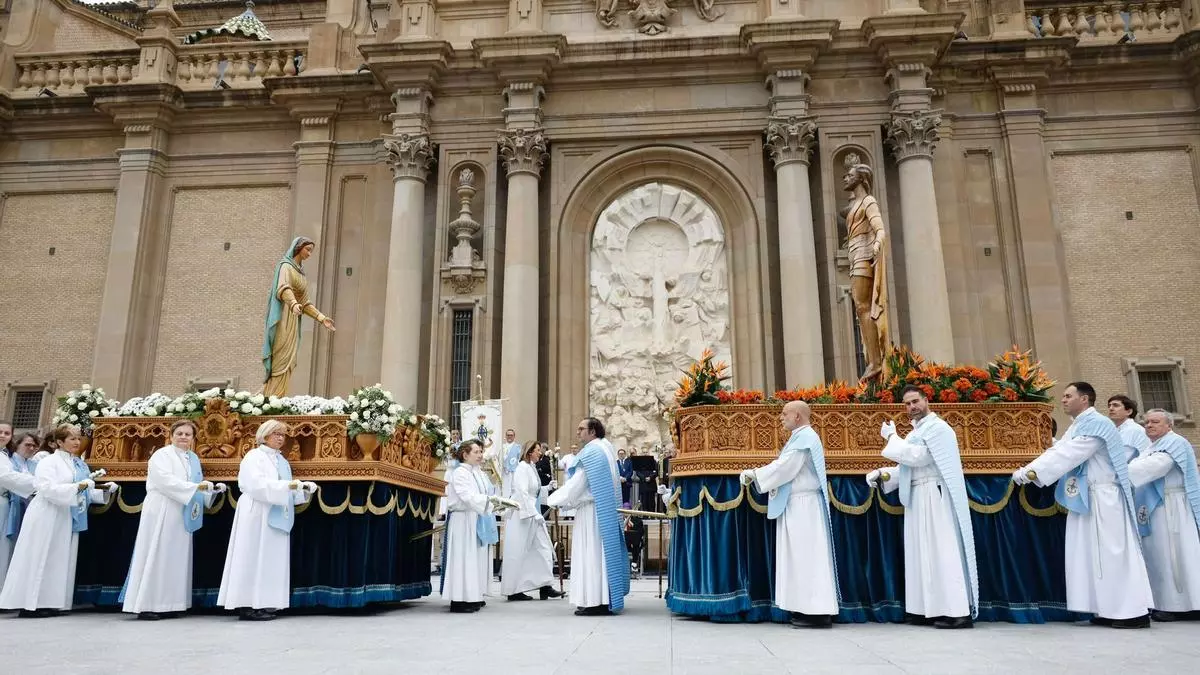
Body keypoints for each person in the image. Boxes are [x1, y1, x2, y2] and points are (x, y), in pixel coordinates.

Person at [1012, 382, 1154, 628]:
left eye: (1068, 396)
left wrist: (1029, 472)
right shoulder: (1080, 424)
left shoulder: (1096, 424)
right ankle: (1105, 609)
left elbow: (1068, 454)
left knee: (1112, 554)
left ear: (1085, 399)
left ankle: (1131, 612)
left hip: (1105, 497)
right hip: (1089, 496)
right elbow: (1059, 448)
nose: (1063, 400)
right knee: (1093, 555)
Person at [866, 386, 977, 629]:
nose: (911, 407)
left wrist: (892, 438)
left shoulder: (938, 428)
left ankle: (956, 610)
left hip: (934, 496)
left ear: (926, 400)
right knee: (920, 552)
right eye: (907, 404)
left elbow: (919, 458)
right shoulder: (918, 431)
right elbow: (910, 467)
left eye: (915, 401)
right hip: (918, 494)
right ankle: (924, 608)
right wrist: (885, 475)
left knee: (941, 551)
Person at [740, 401, 839, 628]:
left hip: (804, 505)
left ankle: (816, 611)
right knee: (800, 557)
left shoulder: (805, 438)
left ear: (797, 416)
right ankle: (805, 608)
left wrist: (755, 474)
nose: (781, 417)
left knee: (806, 557)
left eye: (785, 413)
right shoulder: (800, 437)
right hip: (797, 504)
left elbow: (785, 467)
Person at [0, 424, 114, 617]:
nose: (77, 442)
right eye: (72, 439)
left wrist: (102, 491)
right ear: (59, 442)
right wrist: (79, 487)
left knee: (56, 558)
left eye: (78, 438)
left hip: (63, 513)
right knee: (39, 554)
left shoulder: (75, 463)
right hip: (46, 511)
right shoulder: (49, 462)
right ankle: (30, 604)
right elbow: (46, 488)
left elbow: (79, 489)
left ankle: (48, 601)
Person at [120, 419, 226, 620]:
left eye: (188, 434)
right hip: (162, 507)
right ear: (171, 435)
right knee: (157, 552)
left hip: (182, 510)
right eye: (180, 433)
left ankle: (171, 603)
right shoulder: (162, 455)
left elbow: (194, 483)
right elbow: (164, 481)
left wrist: (210, 489)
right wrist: (196, 488)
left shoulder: (192, 458)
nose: (184, 437)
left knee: (176, 555)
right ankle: (148, 604)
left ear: (194, 438)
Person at [218, 420, 316, 621]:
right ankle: (247, 604)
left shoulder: (282, 461)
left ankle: (265, 602)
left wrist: (301, 490)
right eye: (276, 434)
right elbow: (254, 484)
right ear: (264, 435)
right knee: (252, 555)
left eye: (283, 434)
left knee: (270, 557)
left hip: (276, 511)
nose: (280, 438)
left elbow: (286, 487)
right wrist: (288, 487)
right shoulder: (255, 456)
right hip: (257, 511)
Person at [546, 417, 629, 616]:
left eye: (581, 429)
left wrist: (553, 499)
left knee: (590, 555)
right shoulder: (607, 448)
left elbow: (578, 484)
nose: (578, 432)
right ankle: (604, 597)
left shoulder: (591, 452)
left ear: (593, 431)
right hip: (604, 511)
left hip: (591, 513)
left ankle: (594, 601)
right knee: (601, 556)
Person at [1128, 409, 1200, 621]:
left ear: (1169, 425)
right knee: (1159, 555)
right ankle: (1164, 602)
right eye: (1147, 422)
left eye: (1155, 422)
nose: (1149, 425)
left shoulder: (1174, 443)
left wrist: (1119, 473)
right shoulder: (1152, 446)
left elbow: (1154, 467)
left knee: (1174, 555)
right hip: (1158, 508)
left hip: (1173, 507)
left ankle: (1179, 605)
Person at [442, 439, 517, 613]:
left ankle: (472, 596)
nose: (480, 455)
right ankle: (459, 599)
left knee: (473, 559)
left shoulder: (477, 472)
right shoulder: (460, 472)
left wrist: (502, 504)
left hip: (475, 517)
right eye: (476, 452)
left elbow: (487, 494)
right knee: (463, 558)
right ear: (464, 454)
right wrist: (491, 504)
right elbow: (468, 496)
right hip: (462, 520)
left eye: (481, 452)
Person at [262, 236, 336, 397]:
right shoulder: (285, 267)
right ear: (298, 248)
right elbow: (283, 288)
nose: (309, 254)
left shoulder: (301, 274)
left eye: (311, 251)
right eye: (307, 250)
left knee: (290, 360)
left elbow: (306, 303)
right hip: (283, 317)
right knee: (280, 358)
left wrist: (322, 318)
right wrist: (294, 304)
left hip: (294, 320)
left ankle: (278, 398)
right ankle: (271, 399)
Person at [842, 162, 890, 381]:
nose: (845, 178)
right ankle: (874, 359)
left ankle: (875, 361)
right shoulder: (856, 203)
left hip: (863, 254)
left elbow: (879, 226)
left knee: (863, 307)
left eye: (849, 175)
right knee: (860, 308)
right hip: (854, 255)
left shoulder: (869, 201)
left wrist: (878, 241)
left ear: (861, 178)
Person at [500, 441, 562, 601]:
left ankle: (545, 585)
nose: (540, 453)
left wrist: (546, 489)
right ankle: (513, 589)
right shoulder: (521, 468)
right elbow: (521, 492)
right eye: (537, 451)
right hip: (523, 515)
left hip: (533, 512)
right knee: (518, 551)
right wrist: (533, 513)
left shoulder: (531, 467)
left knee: (543, 548)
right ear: (529, 453)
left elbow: (532, 491)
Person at [1, 423, 43, 588]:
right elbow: (7, 477)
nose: (3, 435)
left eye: (7, 433)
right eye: (0, 432)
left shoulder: (4, 456)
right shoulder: (7, 458)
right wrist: (40, 483)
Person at [5, 432, 41, 542]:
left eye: (34, 446)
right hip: (10, 505)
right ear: (17, 444)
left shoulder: (35, 464)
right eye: (27, 445)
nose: (31, 448)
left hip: (30, 506)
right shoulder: (8, 461)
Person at [1108, 394, 1151, 462]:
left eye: (1115, 405)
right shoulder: (1115, 430)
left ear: (1129, 411)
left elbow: (1120, 460)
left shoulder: (1134, 430)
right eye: (1109, 405)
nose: (1111, 408)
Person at [501, 428, 521, 499]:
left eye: (511, 435)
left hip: (514, 472)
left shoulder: (518, 447)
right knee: (504, 490)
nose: (509, 436)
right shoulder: (502, 447)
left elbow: (519, 461)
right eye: (508, 435)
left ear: (514, 436)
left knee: (514, 490)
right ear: (506, 436)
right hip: (503, 472)